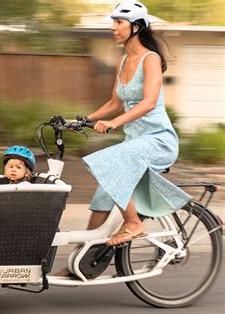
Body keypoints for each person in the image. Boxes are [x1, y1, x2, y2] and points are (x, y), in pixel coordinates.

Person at [80, 1, 191, 247]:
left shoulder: (150, 59)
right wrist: (83, 120)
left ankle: (133, 224)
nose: (113, 28)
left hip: (158, 140)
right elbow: (115, 102)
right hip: (135, 143)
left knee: (107, 163)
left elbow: (149, 103)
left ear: (137, 27)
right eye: (113, 22)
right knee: (103, 197)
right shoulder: (122, 62)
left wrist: (114, 123)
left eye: (119, 22)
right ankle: (83, 257)